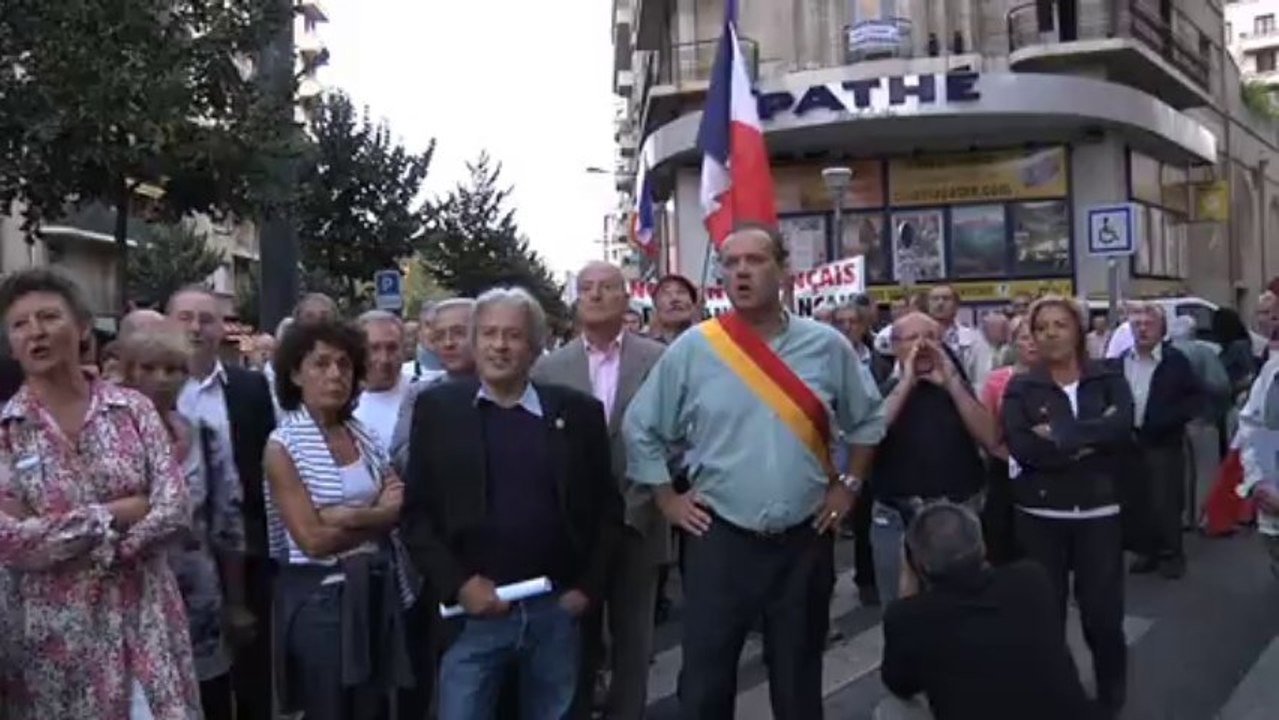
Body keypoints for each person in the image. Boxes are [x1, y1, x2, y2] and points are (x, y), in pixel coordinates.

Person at [624, 223, 885, 719]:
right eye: (731, 262)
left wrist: (849, 486)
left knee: (797, 681)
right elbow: (642, 427)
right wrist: (666, 498)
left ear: (783, 271)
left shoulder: (826, 346)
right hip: (719, 538)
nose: (741, 271)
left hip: (805, 537)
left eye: (756, 260)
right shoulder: (695, 348)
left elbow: (868, 420)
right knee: (704, 683)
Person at [400, 287, 623, 720]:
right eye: (489, 334)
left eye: (513, 336)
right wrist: (460, 585)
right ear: (475, 341)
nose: (500, 346)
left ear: (535, 347)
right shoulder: (438, 410)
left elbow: (606, 512)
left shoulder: (578, 415)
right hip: (472, 617)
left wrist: (586, 590)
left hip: (555, 614)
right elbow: (417, 516)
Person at [0, 268, 198, 719]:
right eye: (20, 324)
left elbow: (173, 507)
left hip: (147, 625)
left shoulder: (133, 409)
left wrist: (72, 537)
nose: (36, 332)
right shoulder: (7, 434)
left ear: (82, 327)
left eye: (49, 316)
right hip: (57, 648)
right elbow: (13, 543)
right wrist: (116, 513)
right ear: (11, 344)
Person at [263, 319, 417, 720]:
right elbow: (311, 540)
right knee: (329, 709)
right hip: (320, 602)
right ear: (295, 373)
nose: (335, 374)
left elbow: (397, 502)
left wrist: (348, 516)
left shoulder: (361, 434)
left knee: (374, 708)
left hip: (374, 590)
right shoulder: (283, 446)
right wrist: (378, 517)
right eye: (321, 364)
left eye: (345, 365)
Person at [533, 261, 666, 720]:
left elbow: (677, 437)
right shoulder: (549, 369)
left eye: (607, 287)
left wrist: (644, 504)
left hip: (641, 518)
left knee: (634, 641)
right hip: (576, 532)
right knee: (575, 639)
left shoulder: (658, 359)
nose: (595, 295)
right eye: (586, 288)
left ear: (626, 297)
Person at [1002, 296, 1134, 717]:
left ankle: (1111, 697)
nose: (1051, 333)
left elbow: (1120, 430)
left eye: (1061, 324)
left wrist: (1060, 435)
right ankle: (1054, 696)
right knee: (1045, 616)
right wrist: (1084, 444)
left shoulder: (1108, 378)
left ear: (1077, 330)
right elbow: (1024, 448)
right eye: (1042, 328)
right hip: (1041, 518)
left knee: (1103, 616)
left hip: (1099, 514)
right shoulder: (1022, 387)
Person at [119, 323, 250, 720]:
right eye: (149, 368)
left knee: (209, 703)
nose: (162, 379)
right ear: (129, 372)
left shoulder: (205, 436)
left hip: (199, 606)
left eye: (173, 369)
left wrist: (237, 603)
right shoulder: (108, 441)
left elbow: (227, 525)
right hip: (130, 607)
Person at [168, 285, 277, 720]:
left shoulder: (250, 389)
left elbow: (265, 465)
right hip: (176, 558)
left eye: (206, 319)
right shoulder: (148, 389)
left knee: (252, 673)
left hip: (244, 550)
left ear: (221, 328)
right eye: (185, 318)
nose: (196, 328)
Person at [878, 503, 1094, 720]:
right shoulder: (1032, 578)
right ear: (981, 545)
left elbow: (899, 683)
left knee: (890, 711)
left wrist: (907, 589)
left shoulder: (907, 617)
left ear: (918, 563)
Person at [870, 312, 996, 606]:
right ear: (896, 346)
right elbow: (872, 432)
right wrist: (908, 381)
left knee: (961, 606)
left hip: (956, 510)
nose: (923, 345)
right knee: (900, 607)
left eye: (931, 337)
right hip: (897, 511)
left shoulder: (957, 386)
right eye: (913, 338)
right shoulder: (883, 388)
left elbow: (990, 437)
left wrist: (951, 382)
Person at [1118, 303, 1202, 579]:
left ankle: (1172, 553)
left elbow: (1194, 397)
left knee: (1165, 498)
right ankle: (1146, 551)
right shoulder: (1121, 361)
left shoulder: (1175, 360)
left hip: (1163, 439)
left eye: (1148, 324)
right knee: (1136, 498)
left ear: (1161, 329)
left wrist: (1171, 417)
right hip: (1130, 441)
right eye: (1137, 325)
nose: (1142, 329)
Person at [390, 298, 477, 475]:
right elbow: (401, 459)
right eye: (439, 336)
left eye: (459, 333)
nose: (448, 343)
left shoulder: (507, 390)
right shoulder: (420, 394)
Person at [980, 315, 1038, 564]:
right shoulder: (997, 381)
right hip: (1006, 468)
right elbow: (988, 434)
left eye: (1036, 337)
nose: (1032, 344)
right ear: (1014, 344)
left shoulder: (1060, 377)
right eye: (1025, 338)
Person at [354, 310, 413, 451]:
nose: (384, 358)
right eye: (373, 348)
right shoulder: (340, 404)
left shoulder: (422, 394)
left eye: (392, 348)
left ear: (404, 350)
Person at [649, 274, 699, 345]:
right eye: (666, 293)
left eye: (681, 292)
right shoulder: (641, 346)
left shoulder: (709, 342)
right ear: (655, 305)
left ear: (693, 304)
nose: (674, 298)